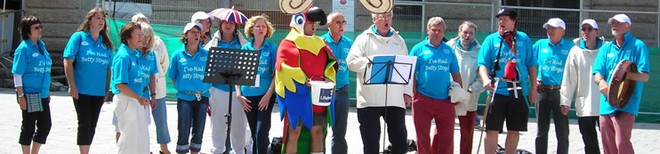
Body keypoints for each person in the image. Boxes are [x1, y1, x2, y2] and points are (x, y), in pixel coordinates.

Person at [346, 11, 412, 154]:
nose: (386, 20)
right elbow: (351, 62)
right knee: (370, 144)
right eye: (382, 16)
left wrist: (407, 92)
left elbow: (406, 66)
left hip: (395, 100)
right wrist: (370, 62)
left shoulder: (399, 40)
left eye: (389, 16)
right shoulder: (363, 38)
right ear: (374, 19)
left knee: (400, 141)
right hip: (369, 100)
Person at [275, 7, 337, 154]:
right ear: (300, 21)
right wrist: (303, 80)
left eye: (316, 23)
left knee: (317, 132)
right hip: (297, 96)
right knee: (294, 132)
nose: (314, 26)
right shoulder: (288, 43)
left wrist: (328, 80)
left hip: (319, 97)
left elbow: (330, 66)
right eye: (311, 22)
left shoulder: (321, 43)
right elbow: (282, 67)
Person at [477, 8, 538, 154]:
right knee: (492, 129)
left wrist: (533, 87)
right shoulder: (491, 40)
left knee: (514, 129)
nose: (501, 22)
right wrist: (485, 79)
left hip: (518, 89)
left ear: (513, 21)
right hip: (497, 89)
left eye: (505, 19)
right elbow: (482, 64)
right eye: (500, 19)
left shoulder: (523, 39)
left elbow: (531, 64)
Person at [592, 14, 650, 154]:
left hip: (627, 103)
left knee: (621, 143)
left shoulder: (638, 46)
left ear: (628, 26)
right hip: (606, 104)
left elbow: (644, 76)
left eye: (619, 23)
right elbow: (597, 73)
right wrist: (600, 82)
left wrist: (624, 76)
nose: (614, 25)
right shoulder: (606, 49)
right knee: (608, 146)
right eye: (613, 23)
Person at [62, 7, 114, 154]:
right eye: (97, 18)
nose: (101, 21)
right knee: (84, 122)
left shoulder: (106, 43)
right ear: (89, 20)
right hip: (81, 90)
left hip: (98, 92)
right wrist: (72, 86)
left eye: (103, 18)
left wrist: (106, 90)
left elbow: (108, 69)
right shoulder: (79, 37)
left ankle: (86, 149)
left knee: (92, 124)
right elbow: (68, 62)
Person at [410, 17, 463, 154]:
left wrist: (460, 94)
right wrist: (414, 93)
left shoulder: (449, 50)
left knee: (446, 140)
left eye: (440, 30)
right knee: (422, 140)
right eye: (434, 29)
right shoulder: (418, 49)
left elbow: (456, 73)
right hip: (423, 99)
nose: (436, 33)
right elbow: (410, 73)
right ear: (428, 30)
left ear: (444, 32)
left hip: (445, 100)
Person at [202, 9, 250, 154]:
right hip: (218, 90)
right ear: (220, 24)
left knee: (239, 125)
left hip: (238, 93)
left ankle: (239, 151)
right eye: (225, 22)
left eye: (231, 23)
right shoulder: (212, 44)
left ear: (236, 26)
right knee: (217, 125)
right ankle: (217, 150)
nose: (228, 25)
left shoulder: (243, 45)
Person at [560, 19, 603, 154]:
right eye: (583, 29)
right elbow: (569, 78)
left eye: (590, 29)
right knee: (589, 142)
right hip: (584, 104)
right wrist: (565, 101)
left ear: (597, 32)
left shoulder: (606, 49)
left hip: (604, 104)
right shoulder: (575, 51)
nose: (586, 32)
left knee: (609, 141)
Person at [131, 13, 172, 154]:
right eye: (138, 23)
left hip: (157, 88)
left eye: (144, 22)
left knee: (161, 120)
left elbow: (165, 63)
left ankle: (164, 148)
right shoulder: (131, 47)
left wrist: (158, 75)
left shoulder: (158, 42)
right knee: (140, 121)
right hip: (138, 90)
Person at [168, 22, 211, 154]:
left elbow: (211, 74)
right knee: (183, 128)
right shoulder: (177, 55)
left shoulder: (206, 54)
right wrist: (183, 87)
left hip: (202, 96)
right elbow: (173, 75)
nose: (196, 35)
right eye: (193, 32)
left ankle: (195, 152)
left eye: (198, 32)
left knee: (199, 129)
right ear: (185, 35)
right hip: (184, 97)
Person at [237, 14, 277, 154]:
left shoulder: (272, 48)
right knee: (254, 133)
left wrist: (269, 94)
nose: (261, 28)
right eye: (258, 26)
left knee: (261, 132)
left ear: (267, 30)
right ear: (251, 29)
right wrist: (239, 95)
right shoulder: (245, 49)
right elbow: (238, 75)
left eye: (264, 26)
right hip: (247, 96)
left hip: (265, 95)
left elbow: (277, 73)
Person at [13, 15, 52, 154]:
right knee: (28, 127)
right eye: (36, 28)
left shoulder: (41, 46)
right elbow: (17, 73)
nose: (40, 29)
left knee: (45, 125)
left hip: (42, 93)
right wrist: (20, 95)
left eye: (40, 26)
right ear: (27, 31)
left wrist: (47, 93)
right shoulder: (24, 49)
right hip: (29, 94)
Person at [534, 18, 573, 154]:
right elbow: (529, 63)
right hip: (542, 90)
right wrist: (532, 79)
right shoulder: (540, 44)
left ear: (562, 31)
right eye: (548, 28)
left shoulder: (570, 47)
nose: (549, 31)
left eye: (553, 28)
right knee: (541, 130)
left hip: (560, 92)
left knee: (562, 131)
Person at [111, 21, 151, 153]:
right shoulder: (123, 56)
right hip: (126, 101)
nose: (142, 38)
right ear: (128, 38)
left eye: (141, 35)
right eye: (138, 35)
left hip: (135, 100)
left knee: (141, 138)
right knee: (129, 140)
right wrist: (138, 97)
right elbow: (120, 84)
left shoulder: (135, 55)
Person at [446, 21, 484, 154]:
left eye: (470, 33)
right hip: (449, 96)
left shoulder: (481, 51)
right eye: (465, 32)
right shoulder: (448, 47)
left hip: (470, 97)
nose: (467, 36)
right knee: (443, 133)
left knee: (467, 134)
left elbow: (483, 77)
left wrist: (471, 90)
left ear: (474, 35)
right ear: (459, 32)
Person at [320, 12, 353, 154]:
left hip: (343, 90)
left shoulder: (349, 43)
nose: (341, 25)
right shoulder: (320, 42)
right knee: (320, 130)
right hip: (324, 91)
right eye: (337, 22)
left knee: (340, 132)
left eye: (343, 22)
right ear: (328, 25)